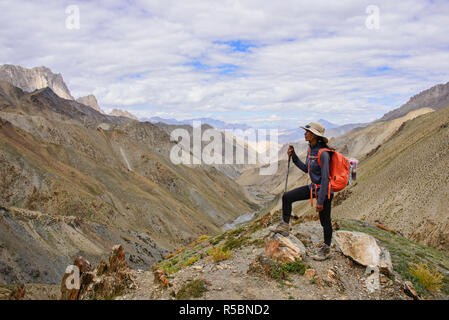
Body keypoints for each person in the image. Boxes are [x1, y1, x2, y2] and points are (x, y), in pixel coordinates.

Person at [272, 122, 334, 261]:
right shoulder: (311, 150)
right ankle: (285, 226)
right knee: (287, 197)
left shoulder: (323, 154)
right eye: (306, 131)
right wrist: (293, 156)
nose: (305, 133)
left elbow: (325, 179)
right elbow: (306, 169)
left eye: (308, 132)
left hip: (324, 192)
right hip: (313, 188)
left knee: (325, 221)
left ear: (315, 135)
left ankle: (326, 248)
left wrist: (321, 200)